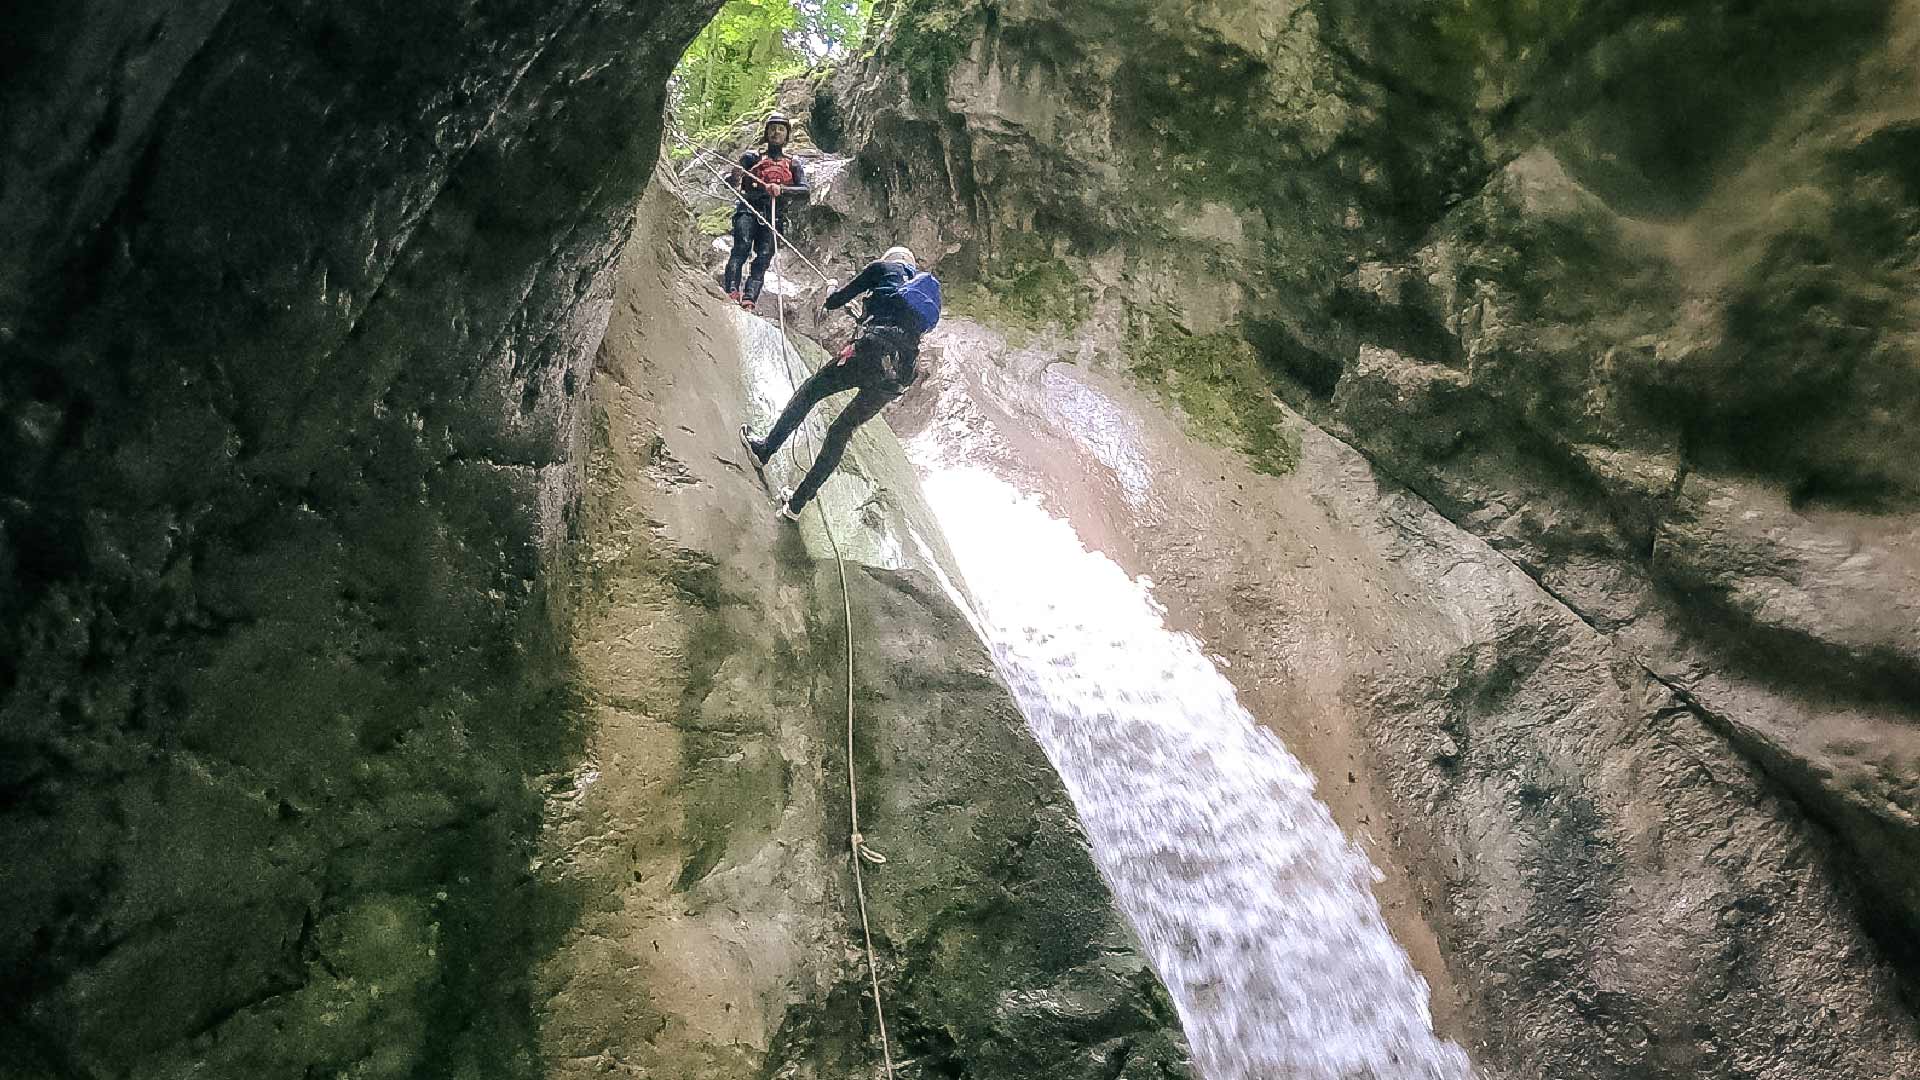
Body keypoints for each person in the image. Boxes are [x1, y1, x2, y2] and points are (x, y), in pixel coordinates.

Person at [742, 245, 939, 521]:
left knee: (811, 392)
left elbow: (834, 302)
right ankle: (797, 504)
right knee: (841, 431)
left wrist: (831, 288)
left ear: (889, 259)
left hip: (868, 353)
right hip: (895, 376)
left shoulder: (881, 269)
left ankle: (764, 450)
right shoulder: (916, 298)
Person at [724, 112, 809, 311]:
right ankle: (732, 290)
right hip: (749, 207)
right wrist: (735, 176)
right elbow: (732, 183)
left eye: (781, 129)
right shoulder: (751, 158)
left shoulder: (793, 164)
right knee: (741, 247)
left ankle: (749, 299)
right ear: (766, 133)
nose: (776, 132)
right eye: (772, 129)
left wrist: (782, 189)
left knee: (763, 257)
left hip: (773, 215)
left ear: (787, 136)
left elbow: (805, 191)